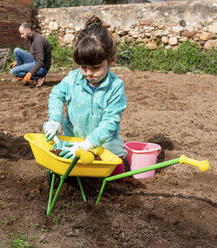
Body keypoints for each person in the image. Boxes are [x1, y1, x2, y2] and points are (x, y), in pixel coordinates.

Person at [43, 16, 128, 175]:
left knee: (115, 171)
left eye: (96, 67)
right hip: (73, 139)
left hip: (103, 142)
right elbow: (56, 95)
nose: (89, 73)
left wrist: (89, 143)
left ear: (111, 61)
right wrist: (54, 119)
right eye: (83, 67)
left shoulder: (115, 87)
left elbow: (110, 123)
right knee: (60, 169)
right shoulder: (73, 79)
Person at [10, 23, 52, 87]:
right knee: (17, 50)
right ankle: (20, 76)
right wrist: (17, 61)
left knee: (13, 71)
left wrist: (30, 73)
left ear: (28, 31)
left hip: (42, 67)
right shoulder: (31, 38)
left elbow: (40, 62)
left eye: (22, 33)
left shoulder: (38, 41)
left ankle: (38, 77)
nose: (21, 36)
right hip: (35, 61)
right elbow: (34, 55)